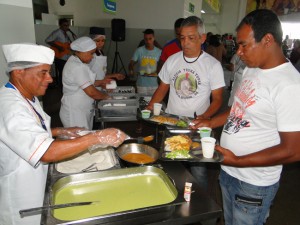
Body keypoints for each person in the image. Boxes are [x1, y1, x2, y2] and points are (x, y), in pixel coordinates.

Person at [192, 9, 300, 225]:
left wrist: (239, 161)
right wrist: (210, 122)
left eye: (244, 45)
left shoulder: (289, 85)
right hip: (229, 171)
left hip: (253, 183)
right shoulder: (253, 68)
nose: (239, 52)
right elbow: (238, 108)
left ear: (267, 40)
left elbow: (293, 150)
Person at [0, 43, 127, 225]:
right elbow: (46, 152)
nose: (50, 79)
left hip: (35, 180)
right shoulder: (11, 106)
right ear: (19, 72)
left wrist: (59, 131)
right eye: (42, 73)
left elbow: (25, 132)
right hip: (22, 192)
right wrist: (96, 137)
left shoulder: (26, 96)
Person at [147, 16, 225, 190]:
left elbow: (218, 98)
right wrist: (150, 106)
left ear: (202, 38)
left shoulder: (212, 65)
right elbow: (163, 88)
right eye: (182, 38)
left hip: (198, 126)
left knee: (198, 170)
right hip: (173, 123)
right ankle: (177, 199)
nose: (185, 43)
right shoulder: (172, 60)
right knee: (172, 165)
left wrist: (205, 117)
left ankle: (203, 207)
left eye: (191, 38)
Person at [59, 37, 110, 130]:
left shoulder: (77, 62)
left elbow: (85, 82)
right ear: (80, 51)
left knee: (85, 136)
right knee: (79, 139)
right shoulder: (77, 67)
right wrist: (107, 97)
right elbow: (91, 92)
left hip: (81, 109)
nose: (92, 56)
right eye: (91, 53)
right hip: (75, 112)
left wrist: (101, 82)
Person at [128, 29, 162, 95]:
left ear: (154, 38)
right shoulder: (139, 50)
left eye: (150, 39)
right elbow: (131, 62)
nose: (148, 41)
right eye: (146, 39)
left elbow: (161, 67)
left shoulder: (159, 52)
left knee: (153, 104)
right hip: (141, 85)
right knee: (141, 103)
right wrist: (131, 70)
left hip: (154, 85)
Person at [45, 18, 77, 86]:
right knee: (62, 72)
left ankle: (65, 85)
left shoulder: (67, 33)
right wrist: (58, 47)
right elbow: (47, 40)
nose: (67, 27)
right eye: (64, 25)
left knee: (65, 72)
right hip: (60, 57)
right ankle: (61, 87)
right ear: (60, 25)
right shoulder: (57, 32)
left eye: (68, 25)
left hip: (65, 56)